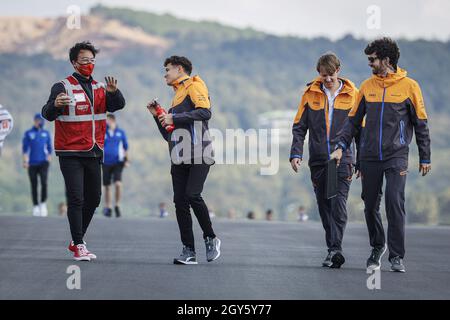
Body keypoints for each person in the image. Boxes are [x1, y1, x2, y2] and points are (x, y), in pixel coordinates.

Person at [331, 37, 431, 273]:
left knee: (394, 202)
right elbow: (352, 122)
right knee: (370, 205)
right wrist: (340, 146)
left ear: (386, 60)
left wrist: (425, 156)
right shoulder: (367, 87)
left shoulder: (410, 87)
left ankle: (397, 256)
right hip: (369, 156)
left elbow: (421, 123)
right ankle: (378, 246)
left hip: (396, 155)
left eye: (372, 59)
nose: (370, 64)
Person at [42, 41, 126, 261]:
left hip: (94, 150)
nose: (89, 64)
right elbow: (47, 114)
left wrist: (114, 93)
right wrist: (56, 105)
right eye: (84, 60)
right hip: (70, 151)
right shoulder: (62, 86)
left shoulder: (100, 87)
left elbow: (118, 106)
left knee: (95, 198)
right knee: (76, 197)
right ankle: (79, 244)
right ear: (74, 62)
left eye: (92, 60)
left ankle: (76, 239)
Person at [146, 55, 220, 265]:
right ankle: (189, 250)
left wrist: (174, 117)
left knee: (192, 195)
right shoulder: (177, 96)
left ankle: (211, 238)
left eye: (167, 70)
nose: (165, 75)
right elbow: (168, 134)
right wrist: (157, 115)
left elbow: (205, 112)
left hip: (199, 152)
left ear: (179, 69)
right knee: (180, 202)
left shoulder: (194, 85)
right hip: (179, 155)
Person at [290, 52, 358, 268]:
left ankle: (336, 249)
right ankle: (332, 248)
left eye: (330, 74)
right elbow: (300, 126)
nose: (327, 79)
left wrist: (362, 160)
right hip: (320, 159)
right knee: (325, 205)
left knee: (338, 203)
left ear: (338, 70)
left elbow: (360, 129)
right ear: (318, 74)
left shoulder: (352, 94)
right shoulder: (310, 94)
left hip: (342, 158)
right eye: (323, 75)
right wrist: (296, 153)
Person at [22, 113, 52, 217]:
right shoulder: (28, 133)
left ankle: (43, 203)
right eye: (38, 120)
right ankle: (35, 206)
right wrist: (25, 161)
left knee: (44, 182)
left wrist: (49, 157)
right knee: (34, 184)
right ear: (34, 121)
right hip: (32, 163)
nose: (39, 122)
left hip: (43, 162)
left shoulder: (46, 133)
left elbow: (49, 147)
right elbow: (25, 149)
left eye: (41, 120)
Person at [102, 113, 129, 218]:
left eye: (108, 120)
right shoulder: (103, 132)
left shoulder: (120, 133)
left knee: (118, 184)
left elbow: (125, 147)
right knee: (107, 186)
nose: (106, 123)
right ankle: (108, 207)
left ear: (113, 120)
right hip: (105, 162)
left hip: (118, 162)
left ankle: (117, 205)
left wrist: (127, 160)